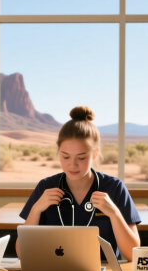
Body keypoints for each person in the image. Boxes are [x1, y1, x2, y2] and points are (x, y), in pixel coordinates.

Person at [17, 106, 141, 261]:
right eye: (65, 156)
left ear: (95, 154)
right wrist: (36, 209)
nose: (72, 165)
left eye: (81, 157)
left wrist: (114, 214)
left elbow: (134, 254)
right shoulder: (46, 187)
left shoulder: (114, 188)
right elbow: (22, 253)